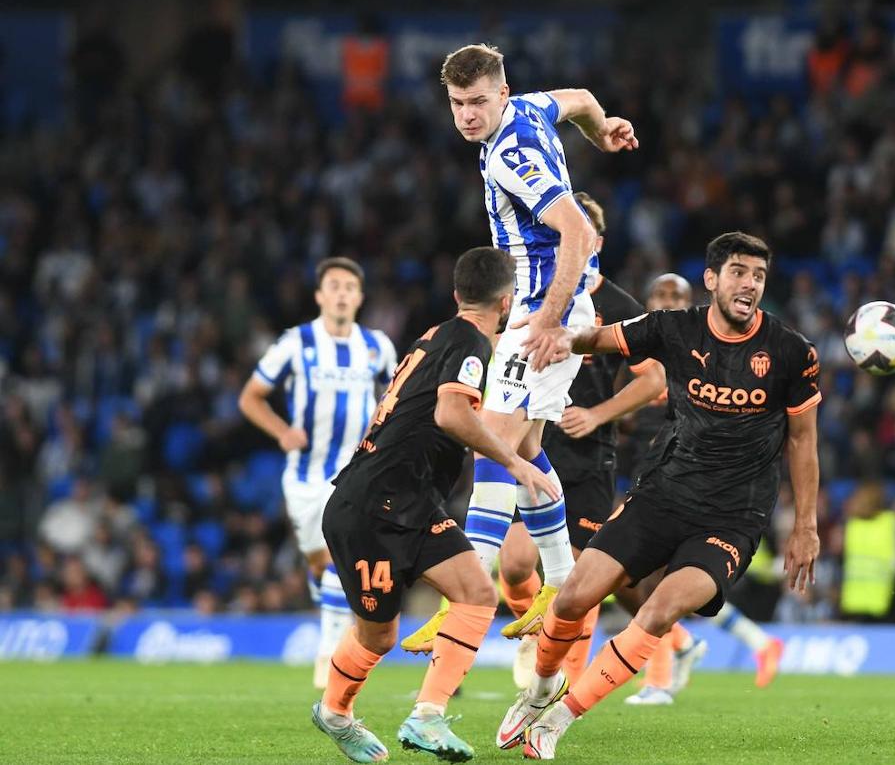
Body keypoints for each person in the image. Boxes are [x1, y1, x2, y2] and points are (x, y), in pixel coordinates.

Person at [498, 232, 822, 759]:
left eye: (759, 276)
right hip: (665, 493)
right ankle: (537, 693)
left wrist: (805, 525)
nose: (750, 284)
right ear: (712, 280)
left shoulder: (791, 353)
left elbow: (804, 441)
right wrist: (558, 337)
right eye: (739, 272)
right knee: (577, 595)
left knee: (660, 609)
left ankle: (559, 718)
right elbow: (602, 338)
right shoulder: (674, 327)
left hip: (733, 515)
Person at [403, 44, 640, 648]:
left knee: (491, 446)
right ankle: (561, 586)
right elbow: (583, 99)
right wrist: (603, 129)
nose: (467, 116)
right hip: (536, 310)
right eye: (457, 104)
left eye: (478, 102)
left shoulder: (512, 153)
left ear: (500, 95)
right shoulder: (530, 109)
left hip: (538, 312)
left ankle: (466, 599)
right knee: (529, 449)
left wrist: (551, 320)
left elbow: (578, 230)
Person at [310, 247, 559, 763]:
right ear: (508, 300)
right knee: (378, 637)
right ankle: (335, 712)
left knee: (474, 592)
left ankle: (427, 717)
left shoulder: (439, 334)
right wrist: (514, 462)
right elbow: (450, 413)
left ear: (457, 295)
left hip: (408, 500)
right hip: (372, 507)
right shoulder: (468, 342)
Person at [496, 192, 665, 689]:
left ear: (597, 241)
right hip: (535, 444)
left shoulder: (617, 306)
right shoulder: (533, 296)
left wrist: (596, 414)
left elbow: (653, 379)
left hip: (589, 455)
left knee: (577, 576)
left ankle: (559, 684)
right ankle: (538, 632)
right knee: (514, 564)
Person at [622, 273, 786, 705]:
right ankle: (697, 645)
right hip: (650, 475)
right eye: (661, 293)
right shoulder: (634, 352)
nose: (669, 300)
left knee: (664, 583)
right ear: (648, 300)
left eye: (678, 295)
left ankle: (660, 675)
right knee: (643, 582)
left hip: (696, 485)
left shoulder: (700, 351)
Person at [238, 257, 397, 688]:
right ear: (320, 296)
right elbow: (251, 397)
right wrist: (282, 431)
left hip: (355, 474)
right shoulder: (296, 342)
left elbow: (393, 397)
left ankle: (328, 653)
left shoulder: (378, 346)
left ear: (360, 297)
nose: (343, 292)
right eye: (334, 285)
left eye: (350, 286)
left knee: (335, 559)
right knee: (317, 563)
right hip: (306, 477)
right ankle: (327, 608)